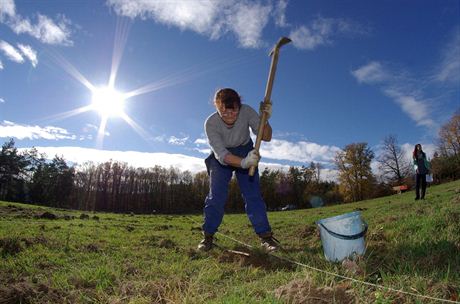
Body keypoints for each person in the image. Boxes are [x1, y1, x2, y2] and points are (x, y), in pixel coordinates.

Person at [197, 88, 279, 252]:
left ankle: (266, 238)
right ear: (217, 107)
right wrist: (243, 163)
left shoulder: (247, 111)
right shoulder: (211, 123)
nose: (229, 116)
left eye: (233, 112)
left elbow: (267, 137)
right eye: (223, 112)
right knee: (216, 196)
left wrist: (266, 119)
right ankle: (208, 237)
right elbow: (221, 155)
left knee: (253, 194)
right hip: (222, 156)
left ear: (239, 107)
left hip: (244, 148)